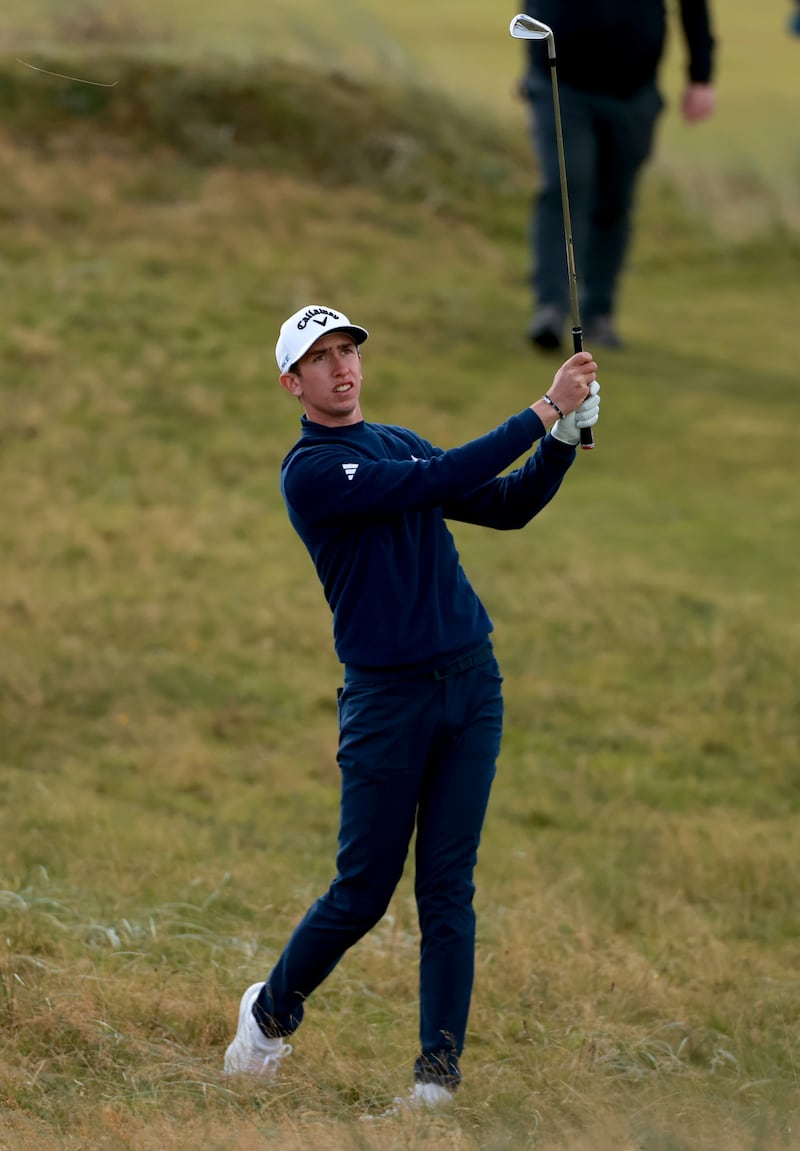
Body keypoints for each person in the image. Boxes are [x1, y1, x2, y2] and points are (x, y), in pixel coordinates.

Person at [223, 303, 601, 1109]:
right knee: (362, 889)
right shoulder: (313, 470)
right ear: (293, 383)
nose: (341, 366)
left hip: (471, 683)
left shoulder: (393, 439)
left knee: (447, 889)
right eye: (320, 358)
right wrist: (546, 409)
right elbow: (436, 480)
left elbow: (504, 504)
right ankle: (268, 1013)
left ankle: (436, 1081)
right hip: (386, 702)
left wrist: (564, 442)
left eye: (347, 350)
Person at [522, 0, 717, 351]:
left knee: (614, 201)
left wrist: (700, 75)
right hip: (561, 84)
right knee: (565, 186)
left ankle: (599, 313)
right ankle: (550, 308)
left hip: (634, 91)